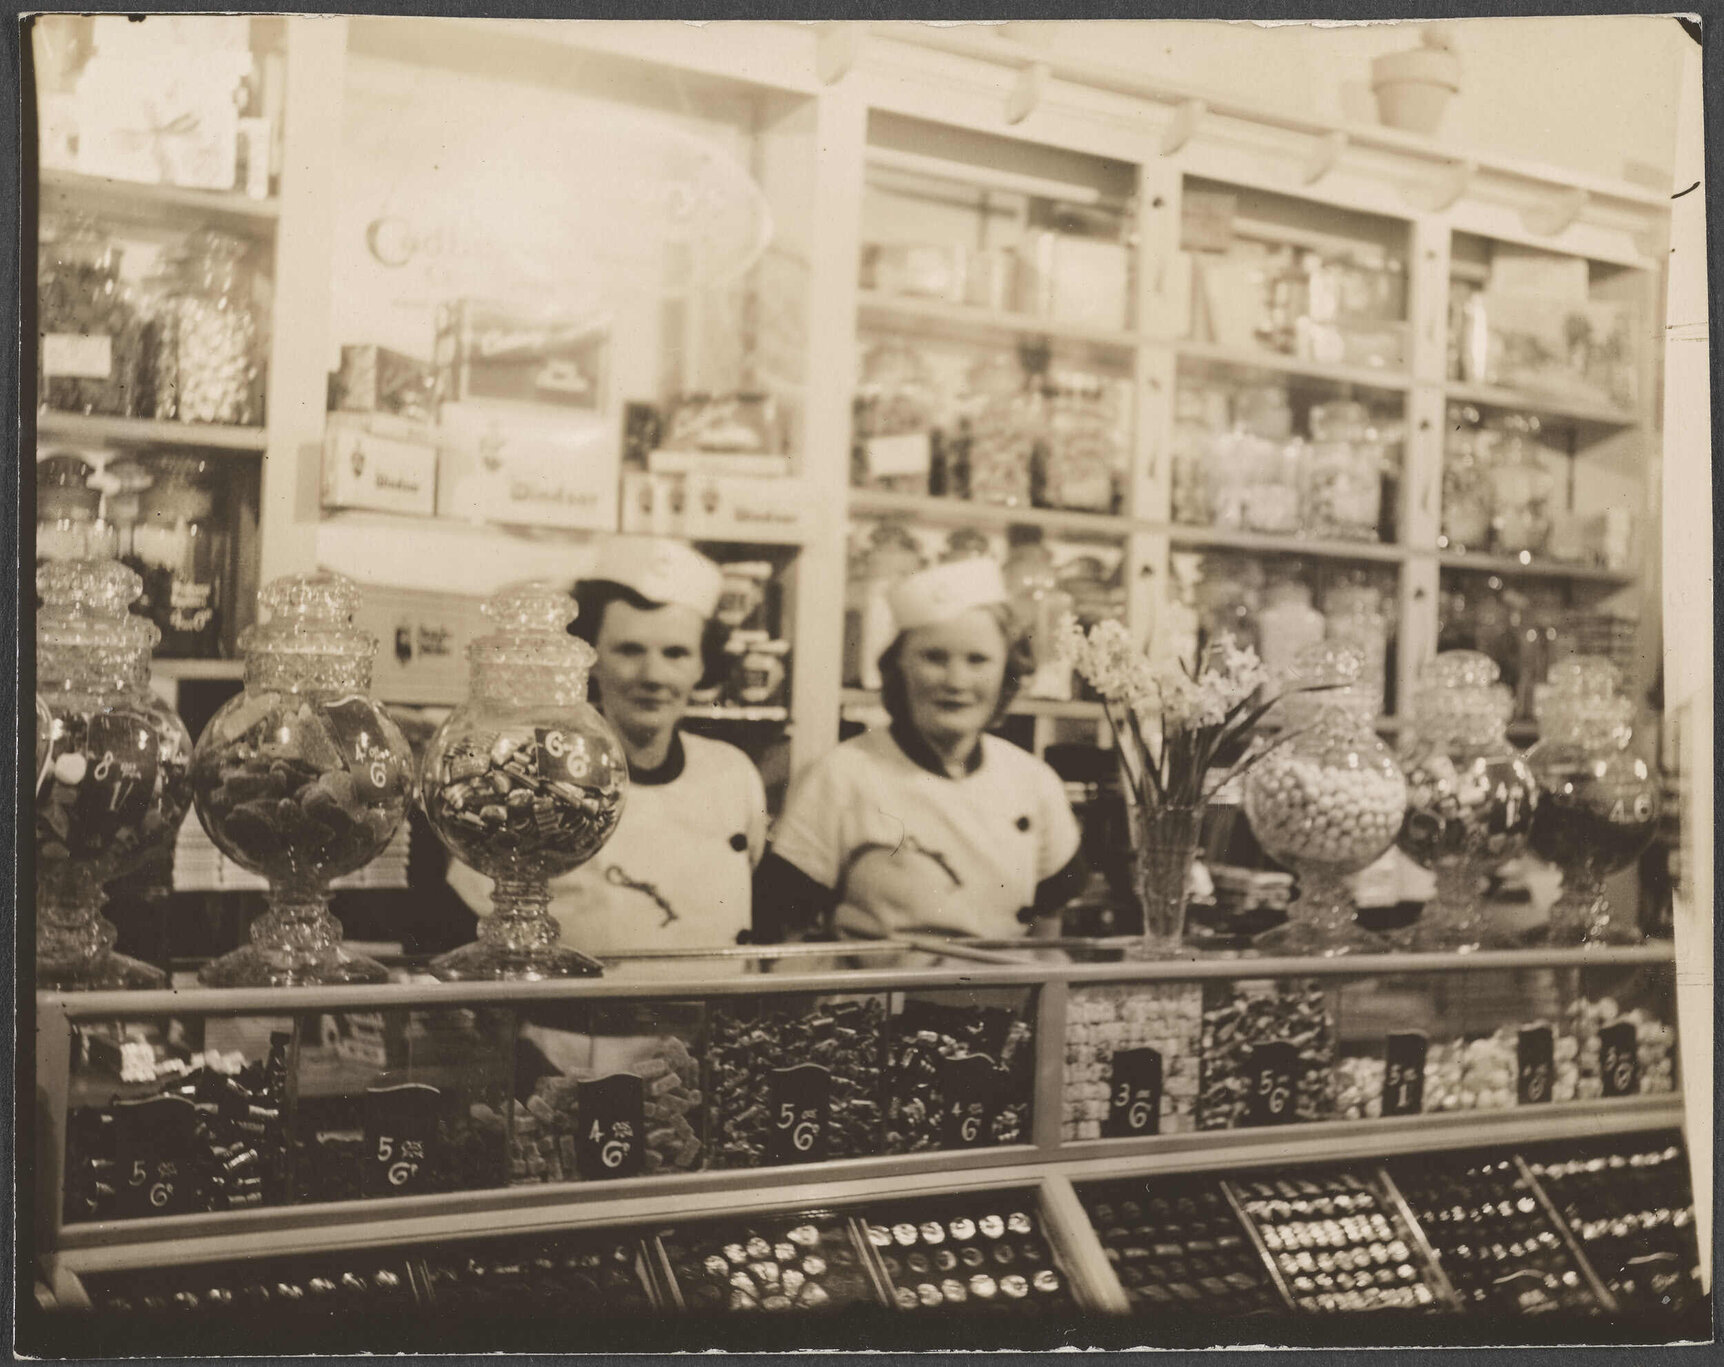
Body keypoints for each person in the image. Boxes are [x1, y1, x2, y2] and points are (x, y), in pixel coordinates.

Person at [448, 537, 767, 954]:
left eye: (676, 653)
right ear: (591, 660)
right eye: (629, 650)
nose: (653, 675)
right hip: (569, 1018)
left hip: (717, 1015)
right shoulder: (534, 773)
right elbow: (470, 911)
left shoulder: (733, 772)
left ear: (702, 665)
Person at [757, 556, 1087, 942]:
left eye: (977, 660)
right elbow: (786, 926)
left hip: (1006, 995)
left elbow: (1049, 931)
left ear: (1006, 670)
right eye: (934, 658)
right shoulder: (842, 773)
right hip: (876, 999)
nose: (956, 681)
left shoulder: (1034, 782)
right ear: (900, 667)